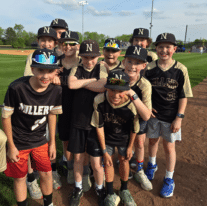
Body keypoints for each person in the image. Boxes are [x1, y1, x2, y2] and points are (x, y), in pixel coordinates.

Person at [2, 49, 62, 206]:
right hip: (18, 141)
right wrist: (11, 146)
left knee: (47, 173)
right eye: (40, 70)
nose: (45, 75)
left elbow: (51, 114)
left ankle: (48, 204)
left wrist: (52, 142)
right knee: (20, 177)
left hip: (40, 140)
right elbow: (6, 116)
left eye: (50, 71)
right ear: (33, 68)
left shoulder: (56, 90)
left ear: (56, 71)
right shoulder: (16, 88)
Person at [144, 33, 193, 198]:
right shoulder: (149, 68)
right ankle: (151, 164)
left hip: (171, 117)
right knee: (152, 141)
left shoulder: (180, 69)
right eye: (160, 47)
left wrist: (179, 117)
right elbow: (143, 89)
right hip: (153, 115)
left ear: (174, 49)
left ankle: (169, 178)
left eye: (168, 47)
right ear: (156, 49)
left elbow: (183, 95)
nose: (164, 50)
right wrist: (147, 108)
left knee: (169, 147)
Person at [90, 70, 150, 206]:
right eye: (112, 90)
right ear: (106, 88)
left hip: (124, 137)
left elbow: (134, 129)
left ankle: (124, 190)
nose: (116, 95)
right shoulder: (99, 100)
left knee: (124, 160)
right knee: (109, 162)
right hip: (107, 135)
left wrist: (130, 147)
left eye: (120, 91)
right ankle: (110, 192)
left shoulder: (131, 105)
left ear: (127, 90)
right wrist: (104, 151)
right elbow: (99, 126)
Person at [67, 39, 108, 206]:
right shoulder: (77, 67)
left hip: (95, 123)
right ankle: (78, 188)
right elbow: (71, 84)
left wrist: (81, 84)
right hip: (77, 121)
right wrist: (91, 82)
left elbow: (103, 85)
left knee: (96, 162)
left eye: (92, 57)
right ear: (80, 57)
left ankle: (99, 188)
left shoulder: (102, 67)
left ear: (98, 57)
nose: (89, 61)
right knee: (78, 159)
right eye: (85, 57)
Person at [122, 46, 153, 191]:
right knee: (119, 141)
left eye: (137, 63)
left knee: (139, 142)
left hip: (137, 117)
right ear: (123, 62)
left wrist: (131, 93)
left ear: (144, 66)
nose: (132, 66)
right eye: (129, 61)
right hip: (120, 117)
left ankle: (139, 169)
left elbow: (146, 115)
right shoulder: (117, 77)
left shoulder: (144, 84)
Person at [56, 31, 81, 185]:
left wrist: (61, 80)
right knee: (65, 139)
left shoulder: (83, 61)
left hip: (80, 107)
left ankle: (83, 168)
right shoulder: (56, 62)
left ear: (77, 45)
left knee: (80, 140)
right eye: (65, 43)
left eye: (72, 43)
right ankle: (69, 166)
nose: (68, 46)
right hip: (61, 105)